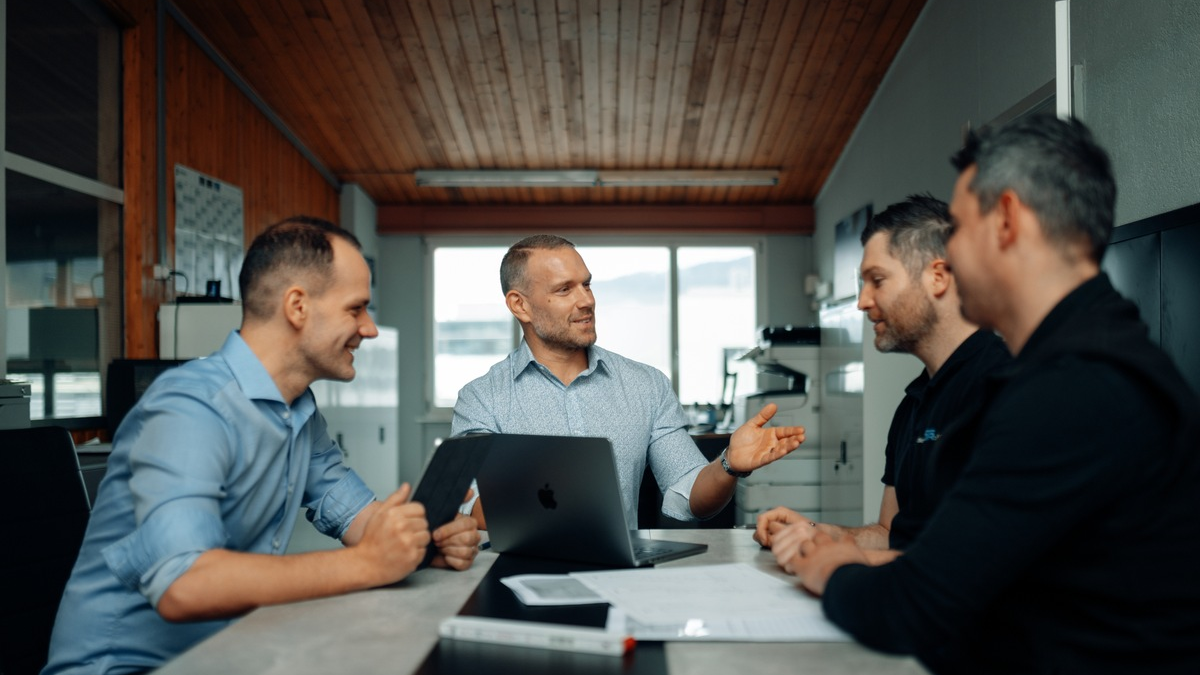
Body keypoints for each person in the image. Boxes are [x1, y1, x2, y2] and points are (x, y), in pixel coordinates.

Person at [786, 116, 1200, 674]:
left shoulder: (1075, 388)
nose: (949, 256)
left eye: (957, 228)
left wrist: (832, 568)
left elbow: (913, 607)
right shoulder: (1075, 363)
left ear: (1005, 220)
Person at [43, 217, 481, 675]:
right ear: (297, 306)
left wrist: (426, 542)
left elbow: (360, 519)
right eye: (356, 309)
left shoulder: (299, 411)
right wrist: (369, 563)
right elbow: (183, 585)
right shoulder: (191, 407)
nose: (369, 329)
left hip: (225, 653)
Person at [451, 234, 806, 530]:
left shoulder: (645, 386)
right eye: (564, 290)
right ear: (520, 306)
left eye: (587, 284)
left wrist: (728, 464)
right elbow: (466, 508)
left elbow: (691, 498)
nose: (586, 300)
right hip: (514, 581)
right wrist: (558, 499)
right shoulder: (481, 399)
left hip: (619, 580)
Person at [754, 195, 1010, 566]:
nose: (861, 301)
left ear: (938, 276)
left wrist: (834, 562)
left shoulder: (1004, 388)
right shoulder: (913, 404)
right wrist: (817, 534)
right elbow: (892, 533)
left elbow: (986, 559)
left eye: (877, 280)